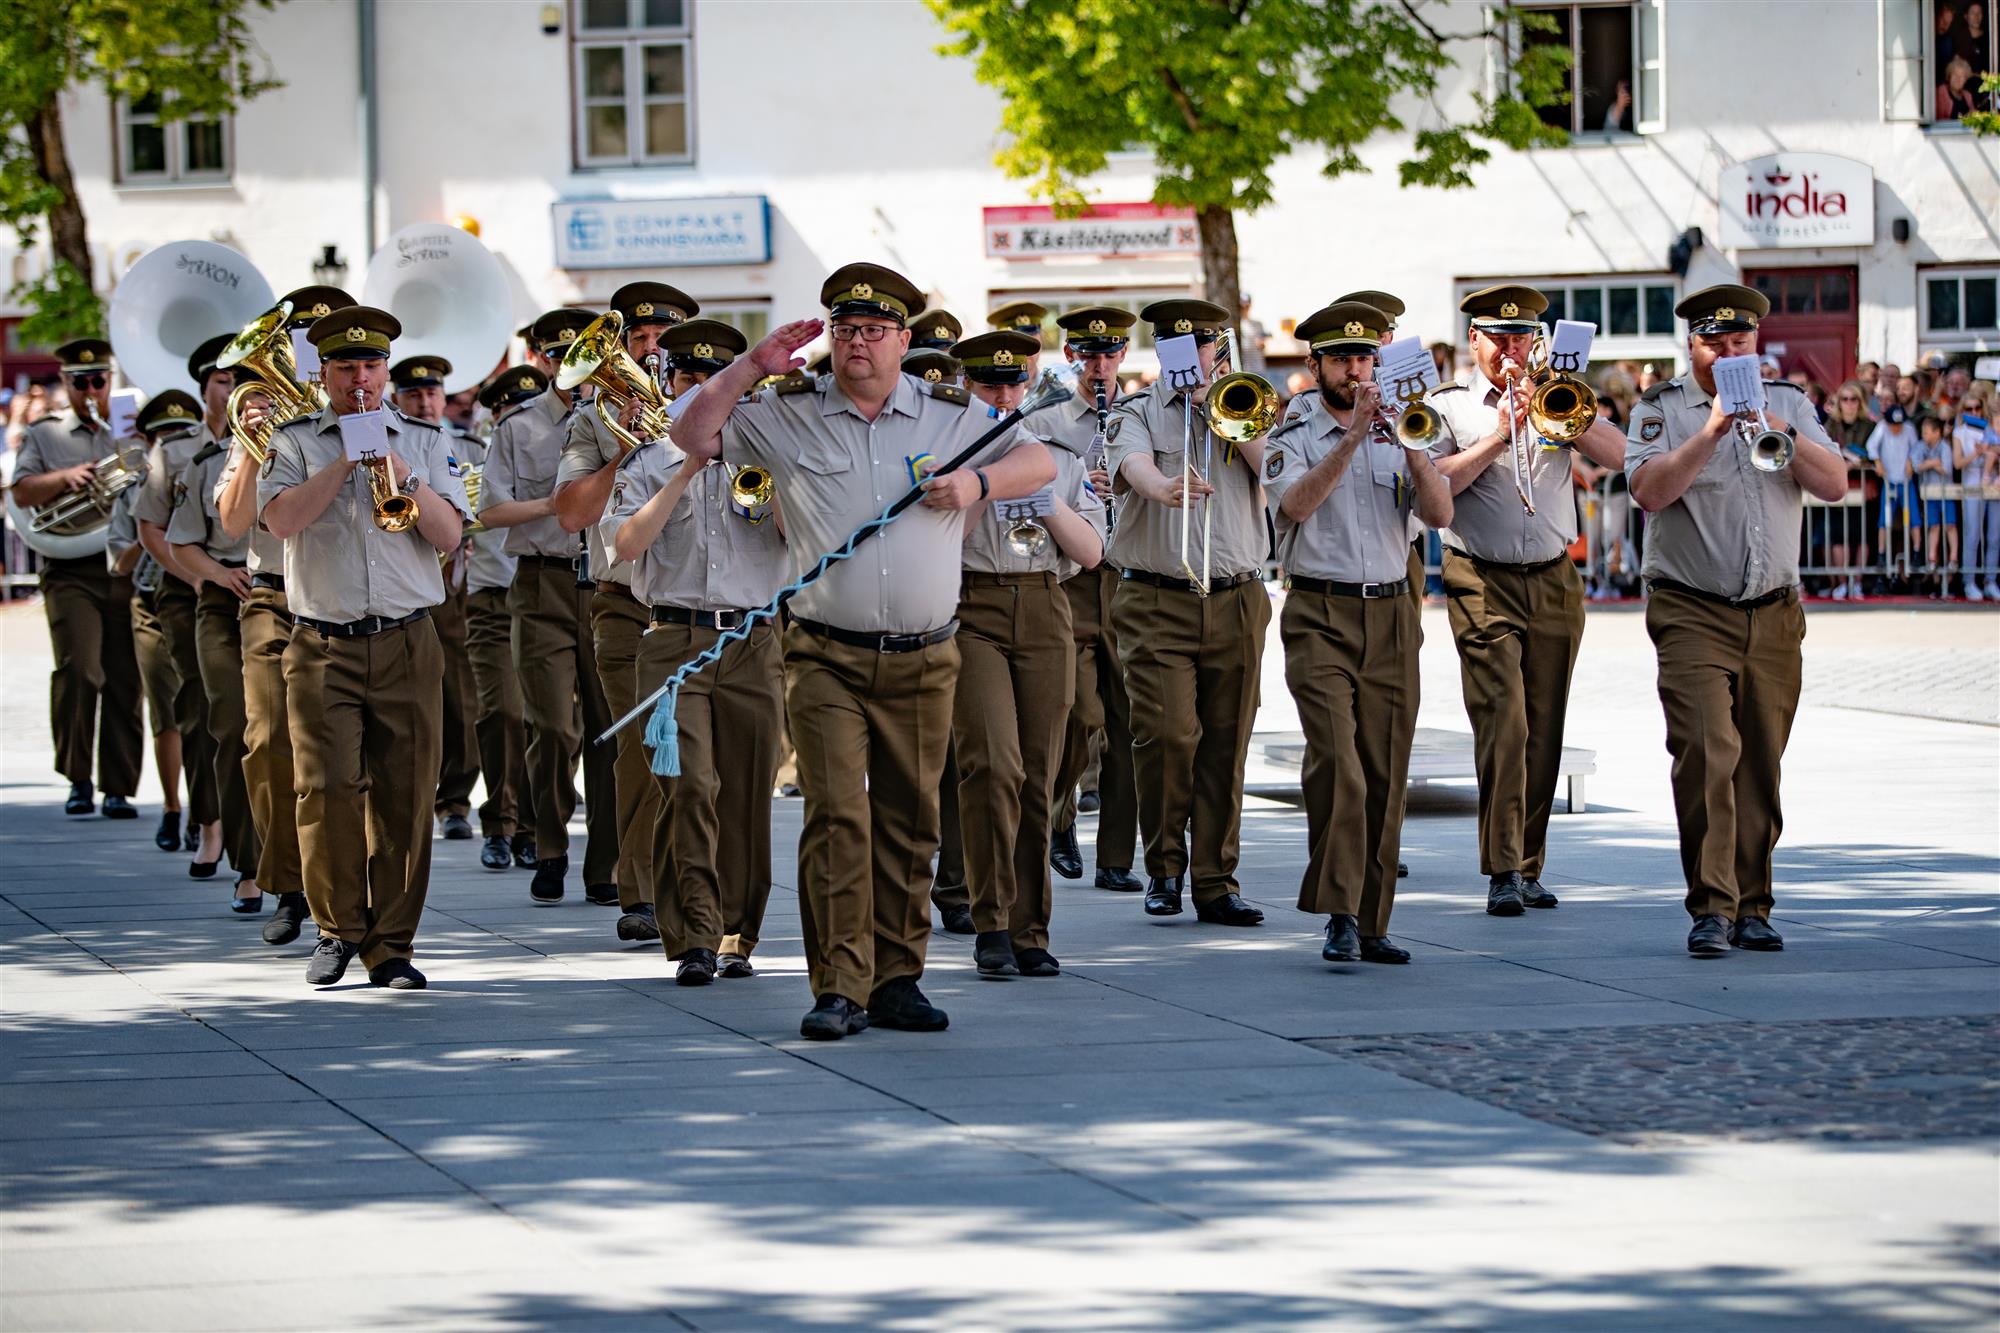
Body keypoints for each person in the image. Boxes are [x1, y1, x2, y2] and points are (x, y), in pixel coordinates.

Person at [668, 261, 1056, 1041]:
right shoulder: (788, 411)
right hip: (825, 654)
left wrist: (978, 487)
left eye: (875, 330)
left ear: (904, 341)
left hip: (925, 653)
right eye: (845, 329)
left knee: (911, 819)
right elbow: (690, 432)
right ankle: (839, 984)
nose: (858, 343)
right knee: (839, 814)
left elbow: (1039, 461)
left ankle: (897, 977)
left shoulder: (949, 411)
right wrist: (750, 365)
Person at [1625, 283, 1849, 957]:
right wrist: (1715, 428)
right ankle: (1712, 906)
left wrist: (1772, 430)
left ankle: (1754, 903)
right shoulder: (1661, 408)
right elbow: (1649, 490)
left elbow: (1835, 483)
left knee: (1759, 764)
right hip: (1692, 607)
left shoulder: (1790, 401)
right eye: (1713, 345)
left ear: (1757, 343)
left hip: (1775, 611)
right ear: (1689, 346)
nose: (1728, 356)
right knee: (1705, 752)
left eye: (1739, 344)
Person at [258, 305, 470, 990]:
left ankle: (392, 944)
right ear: (323, 374)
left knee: (407, 796)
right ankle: (335, 927)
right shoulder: (293, 442)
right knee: (324, 791)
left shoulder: (429, 439)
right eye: (346, 367)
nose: (361, 379)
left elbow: (448, 536)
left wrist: (399, 467)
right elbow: (281, 518)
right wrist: (346, 457)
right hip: (323, 641)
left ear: (386, 372)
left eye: (372, 366)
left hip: (409, 638)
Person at [1425, 286, 1633, 917]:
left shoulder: (1555, 396)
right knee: (1504, 721)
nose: (1510, 350)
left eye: (1521, 338)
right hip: (1478, 576)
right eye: (1499, 339)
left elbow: (1624, 457)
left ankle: (1528, 862)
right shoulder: (1451, 406)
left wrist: (1555, 402)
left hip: (1552, 577)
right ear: (1475, 342)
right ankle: (1501, 869)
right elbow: (1435, 489)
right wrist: (1500, 433)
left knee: (1544, 728)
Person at [1266, 301, 1452, 968]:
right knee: (1340, 764)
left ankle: (1371, 920)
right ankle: (1340, 911)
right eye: (1342, 358)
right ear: (1314, 365)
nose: (1355, 369)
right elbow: (1295, 504)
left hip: (1391, 612)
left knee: (1384, 773)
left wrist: (1410, 444)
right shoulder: (1292, 432)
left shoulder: (1404, 427)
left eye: (1364, 357)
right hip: (1319, 610)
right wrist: (1350, 439)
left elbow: (1438, 512)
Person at [606, 318, 787, 985]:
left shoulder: (767, 454)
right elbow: (625, 547)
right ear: (669, 383)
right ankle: (697, 936)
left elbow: (800, 535)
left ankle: (740, 932)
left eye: (713, 380)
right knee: (688, 787)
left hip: (751, 637)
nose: (698, 389)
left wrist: (762, 476)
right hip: (672, 637)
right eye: (687, 378)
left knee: (744, 793)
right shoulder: (645, 458)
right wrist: (685, 469)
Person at [1107, 299, 1271, 928]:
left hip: (1236, 595)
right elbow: (1134, 466)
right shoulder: (1138, 411)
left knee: (1227, 742)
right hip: (1156, 595)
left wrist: (1220, 410)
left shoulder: (1246, 406)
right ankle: (1165, 868)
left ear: (1218, 351)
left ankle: (1215, 880)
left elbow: (1274, 471)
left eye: (1203, 347)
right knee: (1168, 735)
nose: (1193, 359)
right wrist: (1160, 488)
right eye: (1179, 349)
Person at [945, 328, 1104, 978]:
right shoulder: (947, 452)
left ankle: (1029, 928)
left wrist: (1051, 500)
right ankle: (990, 922)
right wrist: (985, 484)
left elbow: (1092, 552)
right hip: (970, 607)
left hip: (1043, 604)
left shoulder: (1057, 454)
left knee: (1040, 772)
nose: (1003, 395)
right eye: (988, 383)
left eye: (1013, 383)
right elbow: (939, 543)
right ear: (967, 386)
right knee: (993, 765)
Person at [555, 282, 695, 939]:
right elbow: (572, 513)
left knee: (702, 754)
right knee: (641, 749)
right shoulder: (590, 422)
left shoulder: (707, 409)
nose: (649, 352)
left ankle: (697, 888)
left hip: (700, 602)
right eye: (637, 341)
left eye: (659, 343)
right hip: (625, 603)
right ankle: (638, 893)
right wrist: (620, 450)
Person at [480, 309, 629, 923]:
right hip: (541, 582)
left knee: (605, 727)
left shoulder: (618, 417)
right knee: (551, 726)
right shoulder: (517, 427)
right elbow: (489, 513)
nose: (571, 364)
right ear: (541, 357)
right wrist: (559, 502)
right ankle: (548, 847)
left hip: (605, 583)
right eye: (558, 353)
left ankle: (606, 866)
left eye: (583, 352)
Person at [220, 285, 350, 947]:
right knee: (268, 740)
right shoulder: (262, 417)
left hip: (340, 596)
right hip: (275, 593)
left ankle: (340, 888)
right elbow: (234, 519)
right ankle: (289, 884)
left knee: (336, 756)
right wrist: (250, 444)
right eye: (300, 344)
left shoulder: (361, 414)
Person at [12, 338, 144, 819]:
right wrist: (64, 478)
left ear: (110, 380)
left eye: (98, 381)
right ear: (65, 384)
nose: (90, 390)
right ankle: (78, 778)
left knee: (126, 678)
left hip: (126, 562)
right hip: (73, 570)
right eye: (79, 382)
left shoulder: (132, 428)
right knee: (80, 671)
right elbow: (23, 492)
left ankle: (118, 786)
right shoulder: (45, 434)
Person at [1043, 307, 1143, 895]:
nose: (1098, 365)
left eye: (1109, 354)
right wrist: (1082, 481)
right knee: (1080, 712)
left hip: (1127, 576)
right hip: (1072, 580)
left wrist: (1124, 483)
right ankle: (1059, 820)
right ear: (1070, 356)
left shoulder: (1139, 415)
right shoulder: (1050, 416)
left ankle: (1116, 857)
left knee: (1128, 720)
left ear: (1123, 356)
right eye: (1087, 354)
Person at [169, 341, 263, 914]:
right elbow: (180, 543)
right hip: (223, 607)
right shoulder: (204, 464)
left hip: (289, 601)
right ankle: (248, 865)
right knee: (232, 724)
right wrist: (217, 575)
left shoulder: (301, 446)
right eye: (227, 385)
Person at [390, 354, 482, 841]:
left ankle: (456, 799)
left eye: (432, 393)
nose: (425, 402)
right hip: (404, 573)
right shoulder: (393, 440)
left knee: (459, 691)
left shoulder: (465, 443)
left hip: (455, 577)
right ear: (397, 397)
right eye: (413, 394)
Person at [119, 392, 202, 853]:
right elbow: (119, 563)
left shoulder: (205, 474)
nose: (171, 446)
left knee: (202, 711)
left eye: (179, 435)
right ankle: (172, 807)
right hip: (151, 603)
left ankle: (202, 808)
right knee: (166, 710)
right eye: (161, 439)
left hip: (194, 600)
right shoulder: (135, 489)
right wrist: (146, 530)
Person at [467, 369, 538, 870]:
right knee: (503, 711)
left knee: (553, 720)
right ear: (495, 417)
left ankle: (533, 826)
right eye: (508, 411)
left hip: (543, 597)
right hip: (491, 600)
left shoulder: (564, 448)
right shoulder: (475, 460)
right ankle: (498, 822)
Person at [1823, 381, 1878, 599]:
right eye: (1844, 399)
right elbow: (1822, 451)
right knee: (1839, 536)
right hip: (1838, 485)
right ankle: (1842, 582)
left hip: (1863, 486)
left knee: (1861, 535)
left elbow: (1874, 455)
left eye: (1853, 399)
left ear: (1860, 402)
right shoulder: (1831, 425)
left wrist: (1858, 464)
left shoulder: (1869, 426)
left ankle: (1857, 582)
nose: (1849, 404)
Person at [1912, 414, 1960, 596]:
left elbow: (1946, 468)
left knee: (1950, 525)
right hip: (1930, 494)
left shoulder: (1945, 447)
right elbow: (1917, 466)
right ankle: (1932, 558)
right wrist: (1932, 463)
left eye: (1927, 431)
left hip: (1945, 493)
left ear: (1937, 432)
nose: (1923, 435)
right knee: (1934, 526)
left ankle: (1953, 557)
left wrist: (1929, 465)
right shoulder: (1921, 446)